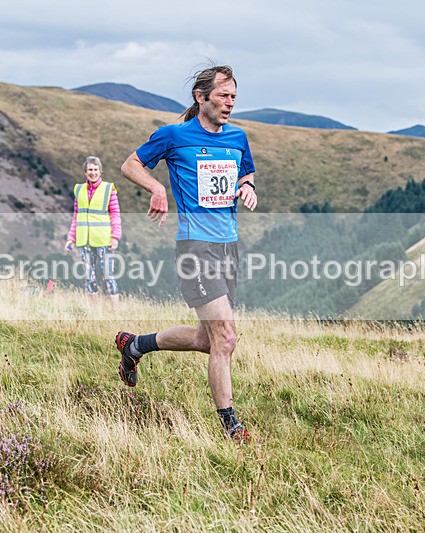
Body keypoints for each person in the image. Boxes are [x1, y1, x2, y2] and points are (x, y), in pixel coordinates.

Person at [115, 65, 258, 441]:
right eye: (224, 96)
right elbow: (130, 165)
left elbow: (245, 173)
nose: (230, 103)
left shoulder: (238, 137)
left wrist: (248, 187)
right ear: (201, 97)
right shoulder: (175, 136)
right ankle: (231, 426)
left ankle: (134, 345)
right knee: (226, 338)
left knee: (205, 340)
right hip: (195, 248)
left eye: (234, 98)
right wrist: (155, 189)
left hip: (229, 247)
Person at [65, 156, 121, 307]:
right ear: (85, 172)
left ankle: (115, 311)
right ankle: (94, 311)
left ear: (100, 171)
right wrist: (71, 238)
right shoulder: (79, 190)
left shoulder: (109, 189)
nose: (93, 172)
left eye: (95, 169)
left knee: (108, 276)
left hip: (104, 240)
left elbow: (115, 214)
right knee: (89, 276)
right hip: (85, 240)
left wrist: (115, 237)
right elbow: (76, 216)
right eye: (90, 170)